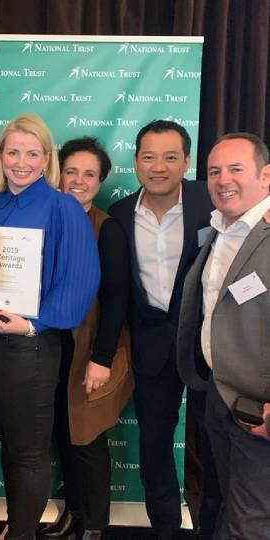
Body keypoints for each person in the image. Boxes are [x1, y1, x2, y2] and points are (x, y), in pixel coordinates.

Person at [0, 113, 100, 540]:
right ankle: (17, 525)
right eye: (12, 152)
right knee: (12, 443)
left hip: (30, 347)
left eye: (31, 153)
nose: (20, 162)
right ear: (0, 155)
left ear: (47, 158)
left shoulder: (63, 206)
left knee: (28, 453)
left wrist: (32, 323)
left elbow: (80, 283)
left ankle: (22, 533)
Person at [107, 120, 217, 539]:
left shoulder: (213, 202)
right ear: (135, 162)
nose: (159, 166)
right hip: (151, 348)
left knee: (216, 445)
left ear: (186, 162)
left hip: (209, 348)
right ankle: (166, 529)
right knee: (155, 447)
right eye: (149, 157)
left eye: (170, 157)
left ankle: (214, 526)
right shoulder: (118, 215)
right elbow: (118, 292)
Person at [177, 133, 270, 539]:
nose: (222, 179)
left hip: (260, 411)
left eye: (236, 169)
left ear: (266, 176)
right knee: (224, 503)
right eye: (214, 171)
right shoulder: (219, 228)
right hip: (221, 394)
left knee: (249, 521)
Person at [40, 138, 133, 540]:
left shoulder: (105, 228)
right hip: (47, 349)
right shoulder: (42, 218)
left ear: (100, 182)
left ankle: (94, 526)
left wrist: (102, 358)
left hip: (88, 351)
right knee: (63, 434)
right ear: (58, 174)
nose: (78, 180)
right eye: (71, 171)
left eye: (89, 174)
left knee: (88, 437)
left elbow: (116, 300)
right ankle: (74, 514)